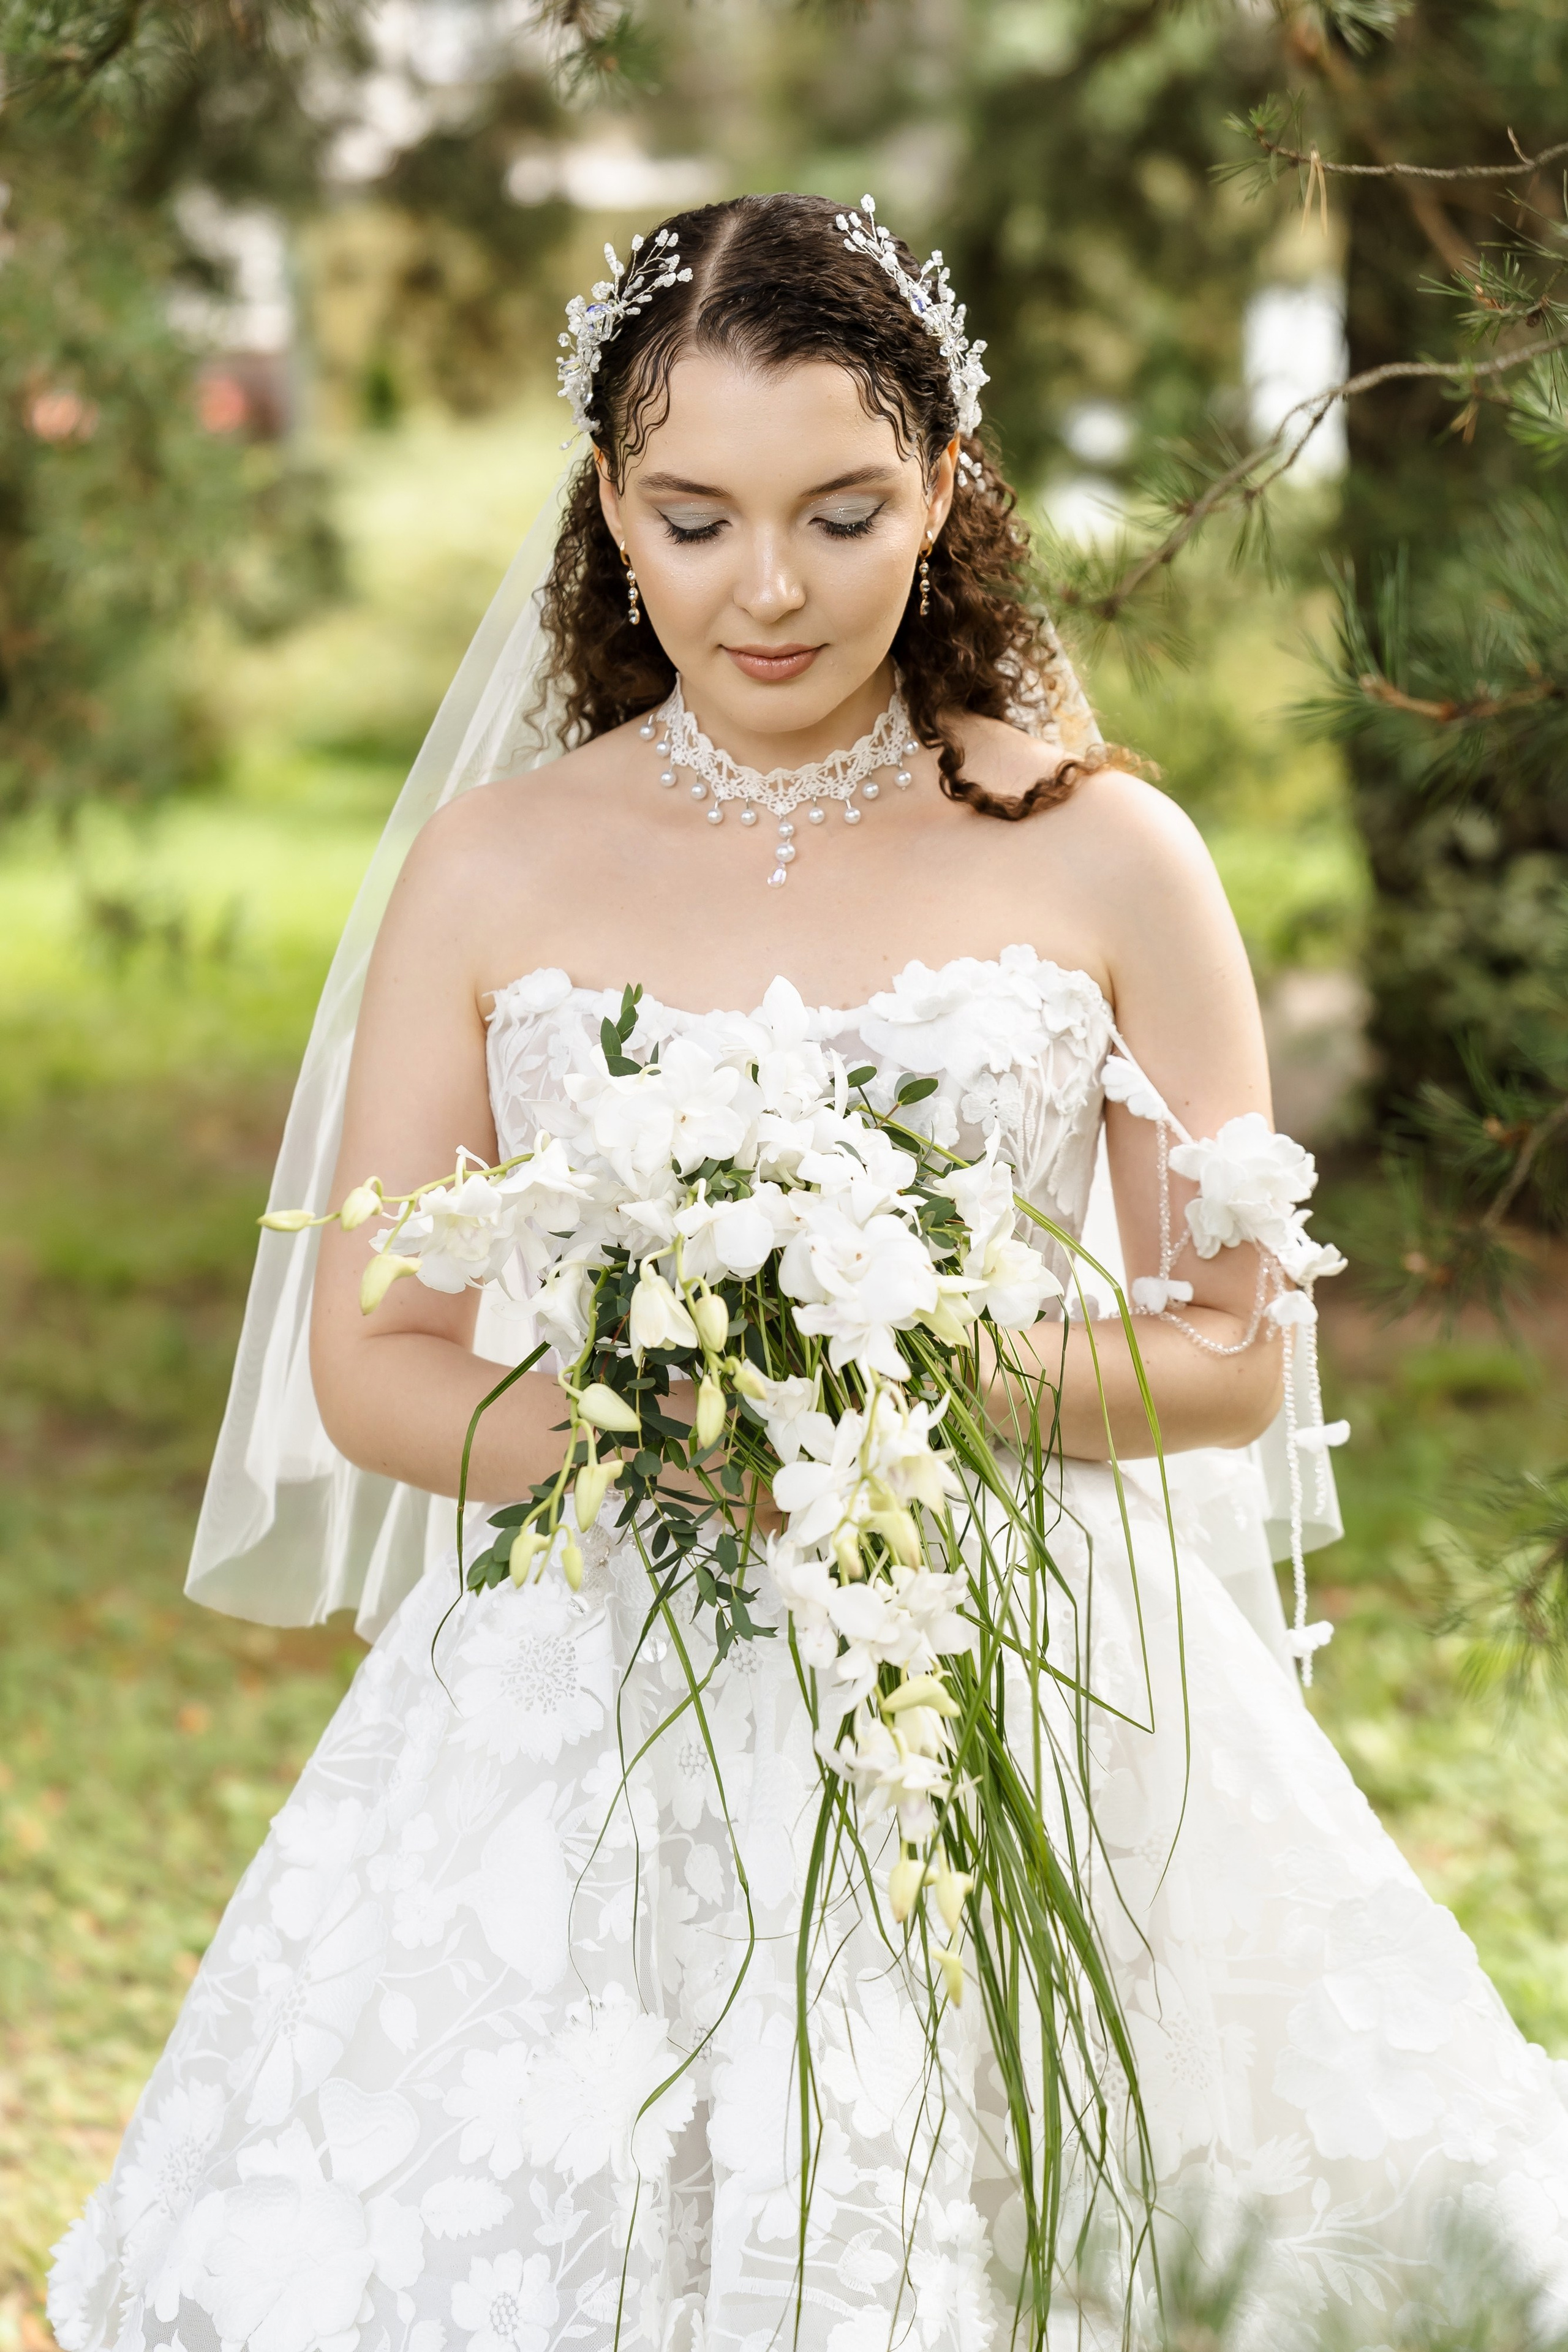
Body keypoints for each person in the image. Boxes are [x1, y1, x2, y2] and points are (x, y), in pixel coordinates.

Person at [48, 190, 1568, 2352]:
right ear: (607, 505)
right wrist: (676, 1429)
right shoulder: (491, 871)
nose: (767, 588)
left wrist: (887, 1382)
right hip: (593, 1664)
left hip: (1018, 1679)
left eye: (845, 512)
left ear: (946, 489)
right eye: (694, 517)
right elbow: (375, 1353)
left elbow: (1231, 1351)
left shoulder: (1111, 851)